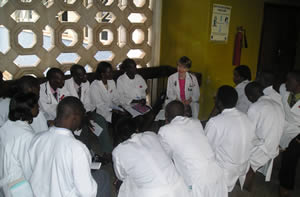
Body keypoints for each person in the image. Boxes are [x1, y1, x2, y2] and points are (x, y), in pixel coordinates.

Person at [29, 96, 111, 197]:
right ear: (75, 118)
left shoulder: (37, 139)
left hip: (38, 193)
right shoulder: (77, 148)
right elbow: (87, 192)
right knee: (103, 176)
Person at [158, 100, 228, 197]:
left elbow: (165, 158)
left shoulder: (165, 130)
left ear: (166, 115)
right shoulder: (196, 122)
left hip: (197, 181)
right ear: (183, 113)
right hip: (217, 173)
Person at [112, 117, 190, 197]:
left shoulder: (118, 151)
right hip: (180, 187)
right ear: (137, 129)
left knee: (126, 182)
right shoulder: (151, 134)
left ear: (118, 136)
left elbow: (121, 176)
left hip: (154, 194)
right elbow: (166, 152)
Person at [204, 85, 255, 192]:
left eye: (216, 98)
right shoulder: (246, 117)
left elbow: (206, 150)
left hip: (225, 171)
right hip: (244, 166)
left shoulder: (215, 122)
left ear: (219, 102)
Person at [243, 82, 284, 190]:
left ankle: (246, 187)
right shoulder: (276, 104)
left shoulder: (256, 107)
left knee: (247, 167)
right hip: (274, 146)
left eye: (248, 97)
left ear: (250, 96)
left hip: (263, 148)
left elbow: (248, 131)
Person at [65, 64, 113, 154]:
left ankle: (107, 151)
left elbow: (88, 102)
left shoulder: (86, 83)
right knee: (83, 127)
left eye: (85, 73)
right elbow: (69, 104)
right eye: (81, 75)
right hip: (73, 114)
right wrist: (82, 116)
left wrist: (87, 113)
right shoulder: (66, 85)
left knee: (100, 120)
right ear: (74, 76)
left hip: (86, 111)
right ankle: (88, 154)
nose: (85, 76)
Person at [0, 93, 39, 197]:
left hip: (6, 183)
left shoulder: (7, 126)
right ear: (29, 109)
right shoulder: (26, 135)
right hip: (20, 187)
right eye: (36, 105)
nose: (39, 107)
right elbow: (29, 168)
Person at [156, 56, 200, 121]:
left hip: (189, 102)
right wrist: (179, 101)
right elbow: (169, 94)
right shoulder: (171, 78)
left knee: (193, 115)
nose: (181, 69)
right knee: (173, 115)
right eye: (179, 66)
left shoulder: (193, 79)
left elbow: (196, 94)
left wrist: (189, 101)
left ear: (188, 69)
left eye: (184, 67)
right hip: (175, 101)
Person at [117, 58, 154, 131]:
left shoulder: (139, 78)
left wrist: (143, 99)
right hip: (128, 105)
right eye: (132, 67)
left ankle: (141, 133)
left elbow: (144, 91)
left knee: (151, 116)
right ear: (127, 69)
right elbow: (120, 98)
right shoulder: (121, 80)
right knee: (139, 118)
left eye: (135, 66)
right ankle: (139, 133)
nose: (135, 69)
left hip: (140, 104)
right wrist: (134, 101)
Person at [278, 71, 300, 197]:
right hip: (284, 128)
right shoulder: (283, 89)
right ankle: (284, 183)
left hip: (298, 131)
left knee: (291, 155)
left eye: (289, 81)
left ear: (298, 84)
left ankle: (285, 185)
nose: (285, 83)